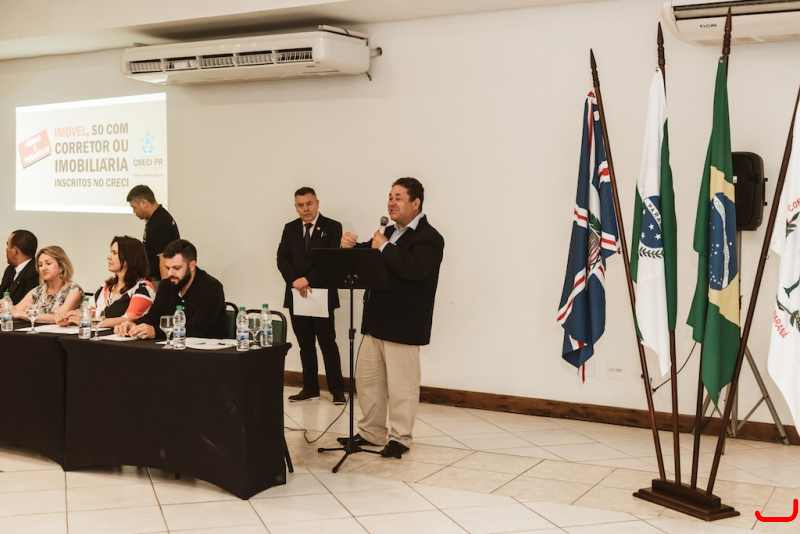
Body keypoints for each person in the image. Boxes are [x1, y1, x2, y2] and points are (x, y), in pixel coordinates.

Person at [339, 177, 444, 458]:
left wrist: (384, 247)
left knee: (402, 387)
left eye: (398, 197)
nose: (391, 202)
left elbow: (413, 269)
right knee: (368, 383)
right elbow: (370, 258)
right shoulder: (388, 232)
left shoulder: (430, 238)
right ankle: (371, 432)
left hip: (404, 325)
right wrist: (350, 248)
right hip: (375, 322)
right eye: (390, 196)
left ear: (415, 203)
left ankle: (400, 438)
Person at [277, 187, 346, 405]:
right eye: (301, 205)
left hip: (321, 294)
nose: (305, 209)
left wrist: (307, 279)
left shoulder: (332, 227)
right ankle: (310, 388)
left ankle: (337, 390)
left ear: (317, 203)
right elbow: (282, 259)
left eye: (309, 204)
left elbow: (331, 259)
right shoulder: (290, 228)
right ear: (296, 207)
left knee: (327, 344)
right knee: (305, 345)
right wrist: (295, 282)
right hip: (297, 294)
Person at [115, 239, 227, 339]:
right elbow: (153, 316)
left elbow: (196, 328)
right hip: (174, 348)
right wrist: (134, 324)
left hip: (207, 351)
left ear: (192, 265)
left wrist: (156, 332)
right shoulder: (167, 285)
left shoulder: (212, 288)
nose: (170, 273)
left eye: (176, 268)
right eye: (167, 268)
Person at [61, 236, 155, 329]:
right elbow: (88, 310)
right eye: (111, 252)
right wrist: (70, 317)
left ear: (130, 258)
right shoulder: (107, 286)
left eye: (114, 253)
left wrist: (89, 322)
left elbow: (129, 319)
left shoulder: (143, 287)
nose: (108, 257)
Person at [12, 246, 83, 323]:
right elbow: (14, 311)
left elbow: (58, 317)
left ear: (61, 266)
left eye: (48, 263)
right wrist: (7, 307)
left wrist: (21, 314)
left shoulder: (74, 290)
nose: (43, 268)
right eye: (40, 265)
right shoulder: (37, 291)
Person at [127, 184, 180, 282]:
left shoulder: (159, 223)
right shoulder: (157, 218)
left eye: (134, 207)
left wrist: (165, 288)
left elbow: (164, 259)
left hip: (158, 281)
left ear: (144, 203)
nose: (134, 211)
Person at [1, 230, 39, 304]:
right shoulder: (10, 269)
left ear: (15, 250)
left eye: (8, 245)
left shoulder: (34, 272)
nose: (6, 249)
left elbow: (26, 305)